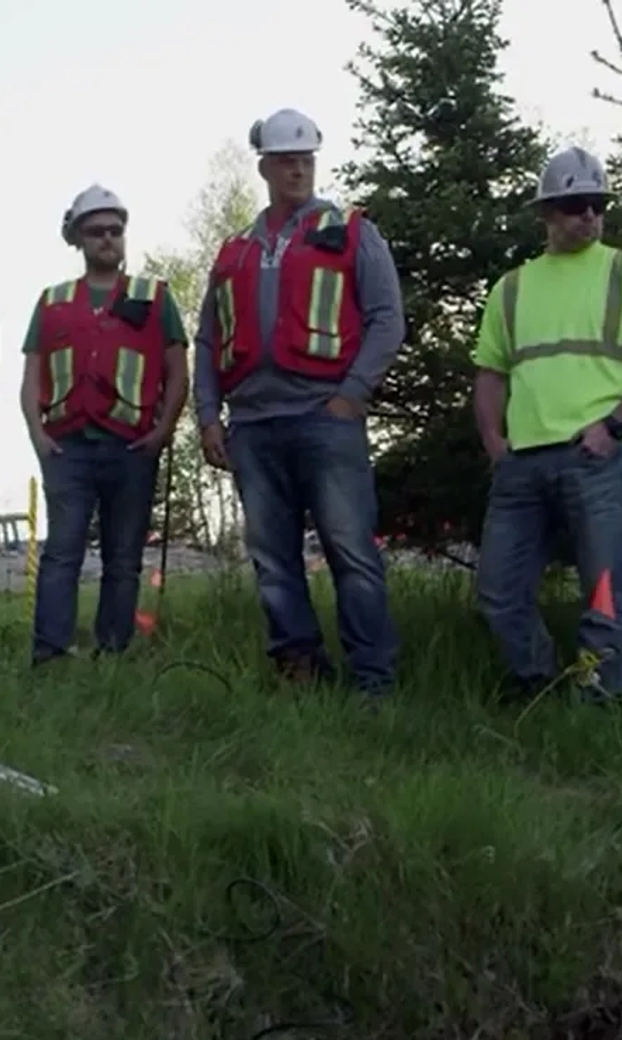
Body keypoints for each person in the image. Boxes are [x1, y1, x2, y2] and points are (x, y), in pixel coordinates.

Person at [195, 108, 408, 697]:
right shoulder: (234, 249)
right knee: (272, 559)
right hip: (253, 427)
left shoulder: (352, 231)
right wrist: (209, 416)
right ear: (263, 165)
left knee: (351, 552)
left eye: (306, 158)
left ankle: (372, 681)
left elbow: (388, 319)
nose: (298, 168)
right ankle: (301, 672)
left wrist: (352, 395)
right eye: (286, 159)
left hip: (325, 420)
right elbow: (209, 338)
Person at [471, 146, 622, 703]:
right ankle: (535, 686)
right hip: (522, 463)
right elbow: (491, 372)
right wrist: (494, 440)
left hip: (599, 458)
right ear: (547, 213)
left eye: (597, 204)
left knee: (602, 593)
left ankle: (598, 702)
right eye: (575, 206)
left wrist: (614, 426)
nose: (589, 215)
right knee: (499, 590)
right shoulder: (512, 288)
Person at [20, 185, 187, 665]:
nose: (108, 239)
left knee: (123, 559)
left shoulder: (153, 298)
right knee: (61, 555)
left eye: (116, 230)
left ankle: (112, 652)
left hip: (132, 446)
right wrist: (37, 433)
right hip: (67, 447)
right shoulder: (52, 302)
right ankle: (50, 655)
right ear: (77, 239)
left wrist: (163, 432)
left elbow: (178, 370)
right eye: (96, 231)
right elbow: (31, 375)